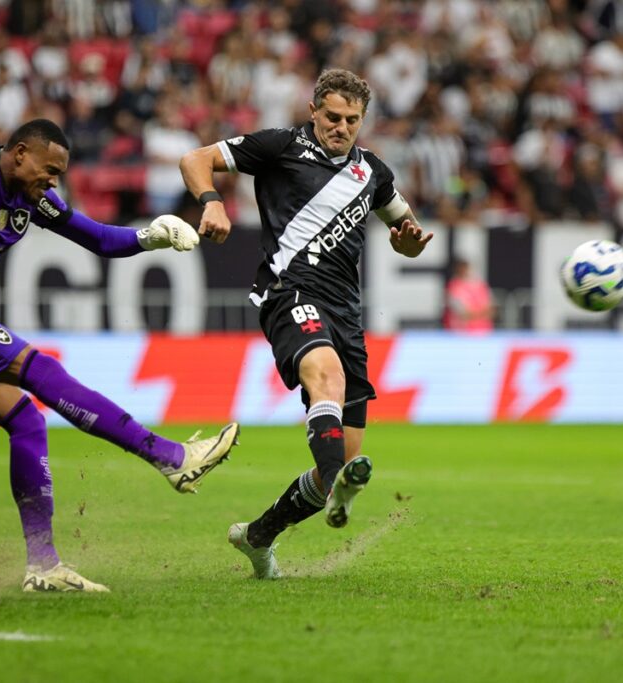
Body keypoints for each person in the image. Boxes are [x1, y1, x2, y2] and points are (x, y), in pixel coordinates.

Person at [0, 119, 240, 593]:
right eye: (49, 170)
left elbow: (97, 238)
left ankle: (43, 566)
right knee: (39, 368)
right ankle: (170, 457)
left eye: (59, 174)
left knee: (26, 420)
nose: (53, 182)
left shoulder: (30, 198)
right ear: (20, 152)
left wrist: (150, 237)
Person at [179, 69, 433, 579]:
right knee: (326, 379)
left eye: (352, 120)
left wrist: (408, 243)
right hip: (289, 293)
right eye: (333, 117)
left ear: (363, 120)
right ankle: (341, 483)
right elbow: (195, 159)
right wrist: (212, 202)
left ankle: (258, 536)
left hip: (346, 314)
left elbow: (405, 229)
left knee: (337, 459)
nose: (342, 127)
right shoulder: (280, 146)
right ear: (314, 110)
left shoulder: (373, 172)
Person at [443, 259, 494, 332]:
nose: (466, 271)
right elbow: (462, 314)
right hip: (461, 333)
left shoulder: (481, 285)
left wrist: (473, 314)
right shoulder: (453, 287)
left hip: (484, 332)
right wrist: (482, 313)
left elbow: (491, 311)